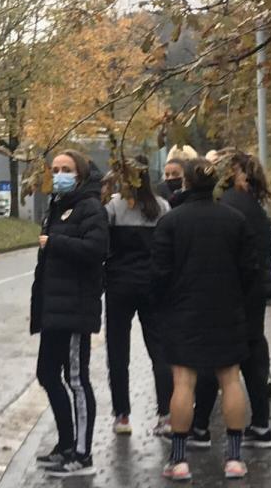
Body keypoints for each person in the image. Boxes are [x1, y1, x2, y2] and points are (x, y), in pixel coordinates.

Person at [152, 159, 257, 481]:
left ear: (185, 184)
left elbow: (159, 274)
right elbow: (250, 270)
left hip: (184, 312)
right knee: (230, 379)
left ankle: (180, 461)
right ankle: (235, 458)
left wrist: (166, 304)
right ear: (214, 185)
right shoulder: (235, 220)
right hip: (227, 310)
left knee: (184, 382)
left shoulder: (171, 223)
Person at [191, 152, 271, 449]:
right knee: (252, 359)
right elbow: (266, 251)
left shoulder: (229, 205)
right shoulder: (254, 205)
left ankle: (200, 427)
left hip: (230, 294)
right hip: (253, 293)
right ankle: (261, 426)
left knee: (215, 360)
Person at [31, 150, 109, 477]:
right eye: (56, 169)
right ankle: (65, 443)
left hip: (76, 310)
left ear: (80, 174)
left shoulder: (90, 206)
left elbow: (97, 250)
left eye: (67, 169)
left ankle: (82, 453)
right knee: (47, 374)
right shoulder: (58, 205)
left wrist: (56, 242)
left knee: (76, 380)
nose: (60, 174)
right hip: (53, 309)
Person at [103, 156, 172, 437]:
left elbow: (105, 244)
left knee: (118, 352)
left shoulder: (114, 207)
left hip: (120, 286)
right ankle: (165, 413)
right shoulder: (162, 207)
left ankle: (122, 415)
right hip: (153, 286)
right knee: (160, 351)